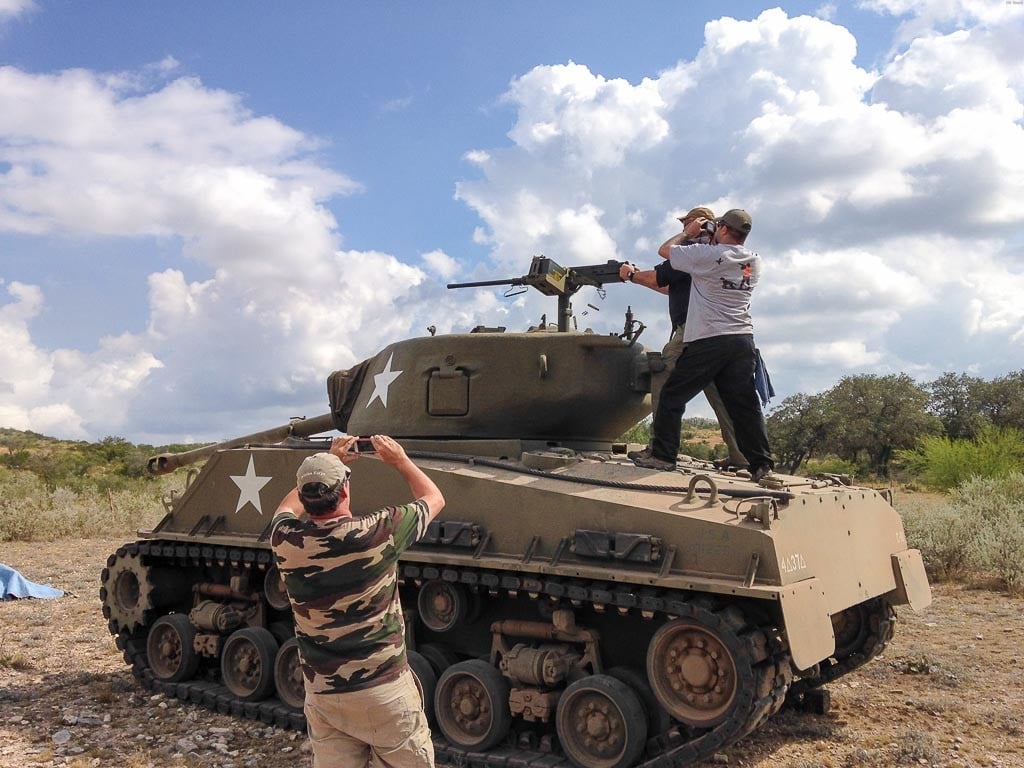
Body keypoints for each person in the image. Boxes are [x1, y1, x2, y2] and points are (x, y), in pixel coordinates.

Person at [271, 434, 445, 768]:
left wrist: (326, 462)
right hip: (383, 692)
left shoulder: (285, 540)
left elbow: (286, 509)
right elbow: (433, 497)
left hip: (325, 695)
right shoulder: (379, 531)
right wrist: (400, 460)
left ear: (306, 499)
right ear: (346, 491)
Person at [630, 209, 774, 481]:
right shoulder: (753, 262)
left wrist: (690, 233)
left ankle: (663, 455)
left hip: (709, 339)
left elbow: (665, 250)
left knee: (673, 395)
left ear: (721, 228)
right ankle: (761, 464)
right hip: (742, 340)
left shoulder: (707, 256)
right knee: (744, 405)